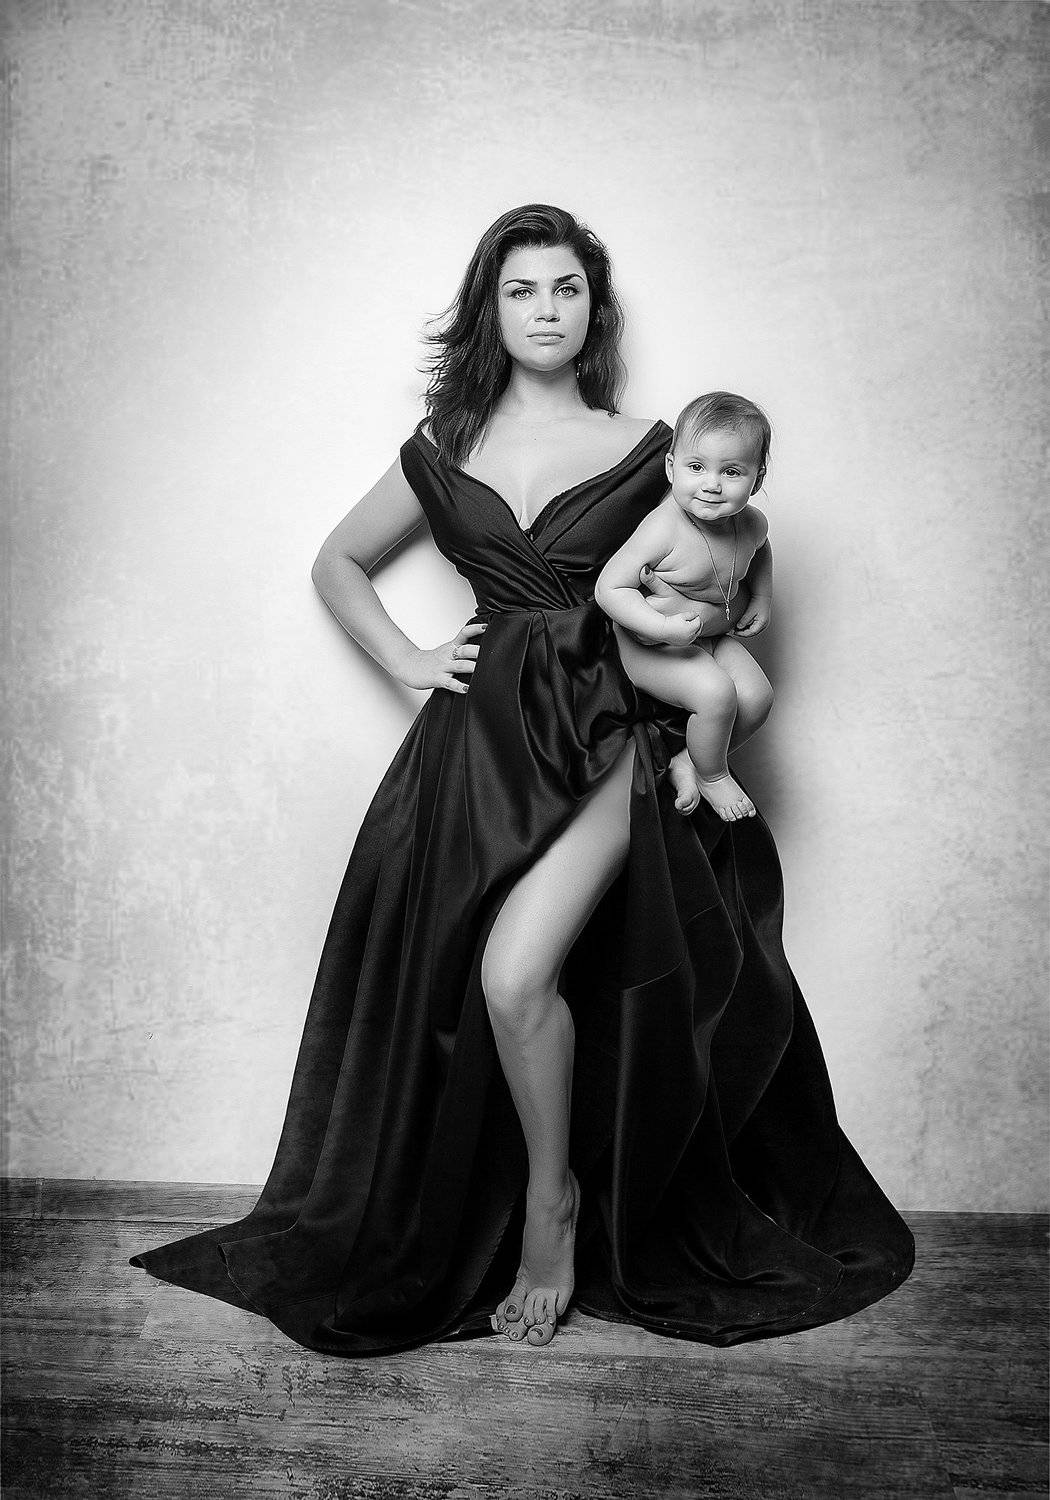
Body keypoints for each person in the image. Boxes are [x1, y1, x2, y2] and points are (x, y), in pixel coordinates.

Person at [131, 205, 914, 1355]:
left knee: (513, 974)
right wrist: (408, 659)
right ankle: (528, 1195)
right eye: (521, 289)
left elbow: (727, 567)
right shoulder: (444, 444)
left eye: (566, 289)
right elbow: (336, 561)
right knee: (463, 986)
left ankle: (554, 1209)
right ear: (489, 311)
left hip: (609, 737)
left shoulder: (656, 445)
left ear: (596, 310)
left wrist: (718, 663)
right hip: (483, 746)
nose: (546, 309)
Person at [594, 391, 775, 823]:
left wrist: (762, 597)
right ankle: (713, 776)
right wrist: (661, 628)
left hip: (709, 636)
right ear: (671, 467)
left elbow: (762, 551)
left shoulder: (752, 523)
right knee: (716, 694)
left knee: (757, 698)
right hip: (651, 644)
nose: (712, 484)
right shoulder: (663, 528)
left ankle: (691, 760)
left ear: (757, 479)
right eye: (697, 467)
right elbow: (609, 588)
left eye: (731, 471)